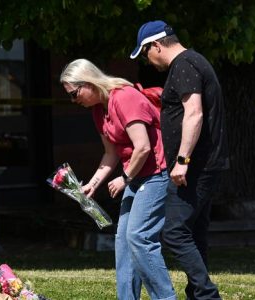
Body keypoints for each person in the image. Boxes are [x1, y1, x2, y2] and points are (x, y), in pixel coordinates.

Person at [60, 59, 176, 300]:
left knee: (139, 237)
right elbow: (110, 153)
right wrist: (93, 183)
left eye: (74, 93)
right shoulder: (97, 110)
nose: (74, 100)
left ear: (89, 81)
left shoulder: (124, 97)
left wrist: (124, 178)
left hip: (156, 174)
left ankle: (165, 297)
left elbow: (143, 147)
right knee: (123, 241)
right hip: (136, 177)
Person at [130, 20, 229, 299]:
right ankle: (199, 296)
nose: (147, 62)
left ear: (156, 46)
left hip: (195, 166)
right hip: (205, 164)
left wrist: (182, 160)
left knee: (174, 233)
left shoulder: (184, 65)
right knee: (195, 233)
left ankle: (208, 296)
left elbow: (194, 113)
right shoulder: (194, 61)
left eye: (145, 53)